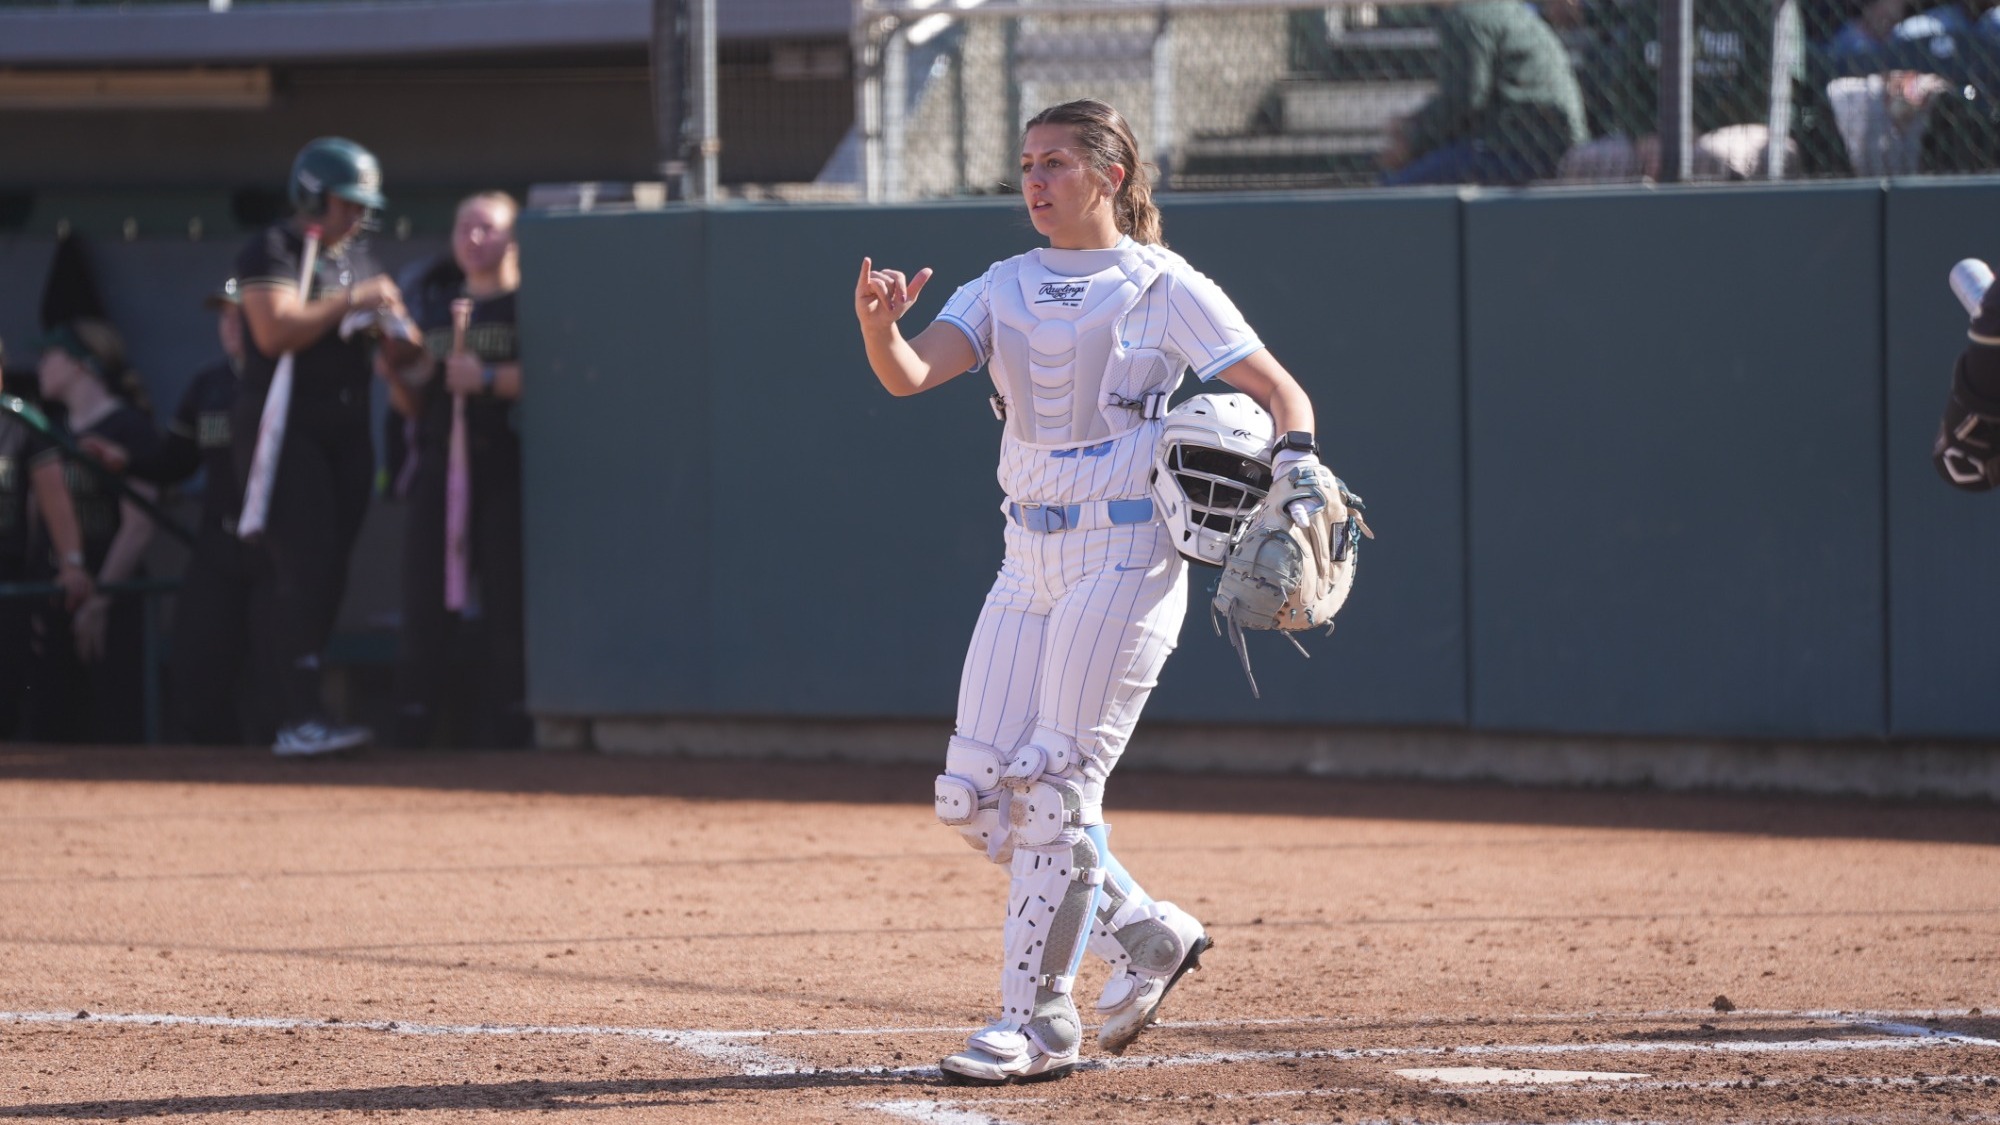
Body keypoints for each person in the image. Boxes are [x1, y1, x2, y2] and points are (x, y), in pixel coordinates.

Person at [852, 99, 1331, 1085]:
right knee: (971, 792)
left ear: (1109, 177)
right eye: (1027, 163)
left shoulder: (1161, 282)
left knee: (1055, 788)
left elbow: (1283, 392)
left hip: (1126, 551)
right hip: (1025, 555)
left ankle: (1035, 1023)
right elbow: (909, 375)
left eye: (1056, 163)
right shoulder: (1001, 284)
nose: (1035, 179)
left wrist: (1299, 467)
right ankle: (1147, 935)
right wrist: (877, 328)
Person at [234, 136, 414, 757]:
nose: (356, 217)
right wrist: (352, 301)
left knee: (331, 568)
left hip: (347, 429)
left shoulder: (356, 258)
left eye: (363, 206)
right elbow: (274, 330)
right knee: (302, 565)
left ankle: (306, 710)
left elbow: (406, 349)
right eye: (345, 203)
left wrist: (394, 328)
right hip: (287, 427)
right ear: (313, 196)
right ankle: (296, 714)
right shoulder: (274, 247)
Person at [83, 281, 258, 744]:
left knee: (271, 671)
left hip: (274, 547)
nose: (230, 326)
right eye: (224, 316)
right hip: (219, 543)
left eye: (241, 316)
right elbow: (176, 462)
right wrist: (127, 461)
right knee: (194, 666)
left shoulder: (286, 376)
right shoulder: (208, 383)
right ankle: (220, 764)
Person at [385, 192, 529, 749]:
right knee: (423, 597)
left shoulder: (528, 304)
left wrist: (488, 379)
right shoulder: (433, 305)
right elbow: (413, 405)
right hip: (440, 464)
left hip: (506, 463)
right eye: (464, 226)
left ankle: (512, 728)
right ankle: (414, 724)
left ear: (513, 239)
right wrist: (398, 374)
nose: (473, 238)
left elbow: (552, 375)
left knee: (506, 599)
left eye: (487, 228)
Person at [28, 320, 160, 743]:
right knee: (51, 725)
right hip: (58, 592)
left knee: (115, 724)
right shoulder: (49, 429)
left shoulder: (129, 427)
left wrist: (101, 600)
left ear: (81, 364)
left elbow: (139, 525)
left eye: (50, 356)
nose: (40, 366)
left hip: (113, 594)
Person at [1378, 0, 1588, 185]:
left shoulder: (1467, 16)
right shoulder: (1499, 8)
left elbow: (1463, 101)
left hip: (1520, 152)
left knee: (1395, 189)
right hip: (1548, 145)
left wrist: (1412, 139)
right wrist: (1414, 125)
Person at [0, 334, 94, 738]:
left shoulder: (20, 420)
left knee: (9, 688)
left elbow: (55, 498)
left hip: (7, 573)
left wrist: (72, 562)